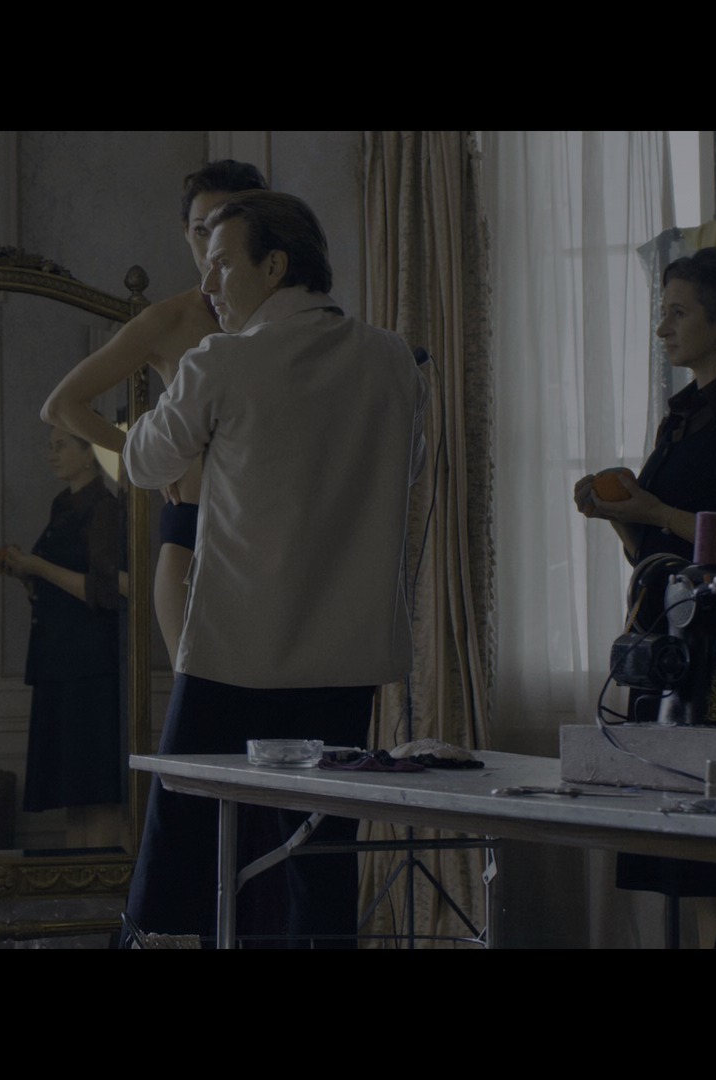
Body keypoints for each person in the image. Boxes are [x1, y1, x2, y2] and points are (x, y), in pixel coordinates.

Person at [119, 191, 424, 946]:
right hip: (347, 656)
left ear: (275, 266)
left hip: (236, 650)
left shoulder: (223, 360)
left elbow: (142, 461)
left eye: (221, 264)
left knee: (178, 846)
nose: (207, 285)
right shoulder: (394, 358)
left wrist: (181, 395)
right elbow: (408, 473)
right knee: (321, 856)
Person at [573, 246, 716, 948]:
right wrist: (622, 516)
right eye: (661, 313)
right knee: (694, 870)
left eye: (677, 313)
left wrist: (656, 510)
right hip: (671, 664)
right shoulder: (680, 420)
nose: (662, 329)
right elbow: (661, 557)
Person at [41, 160, 269, 671]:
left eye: (226, 226)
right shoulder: (169, 320)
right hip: (192, 534)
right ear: (185, 232)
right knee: (201, 708)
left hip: (275, 536)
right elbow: (61, 404)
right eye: (201, 229)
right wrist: (149, 456)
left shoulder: (286, 320)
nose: (212, 244)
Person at [0, 428, 127, 850]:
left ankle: (102, 885)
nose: (51, 454)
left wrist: (38, 567)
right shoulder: (64, 505)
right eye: (49, 445)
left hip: (90, 666)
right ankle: (83, 883)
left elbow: (108, 592)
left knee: (97, 792)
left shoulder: (104, 507)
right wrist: (28, 576)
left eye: (61, 446)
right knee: (76, 795)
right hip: (60, 660)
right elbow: (62, 588)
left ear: (89, 454)